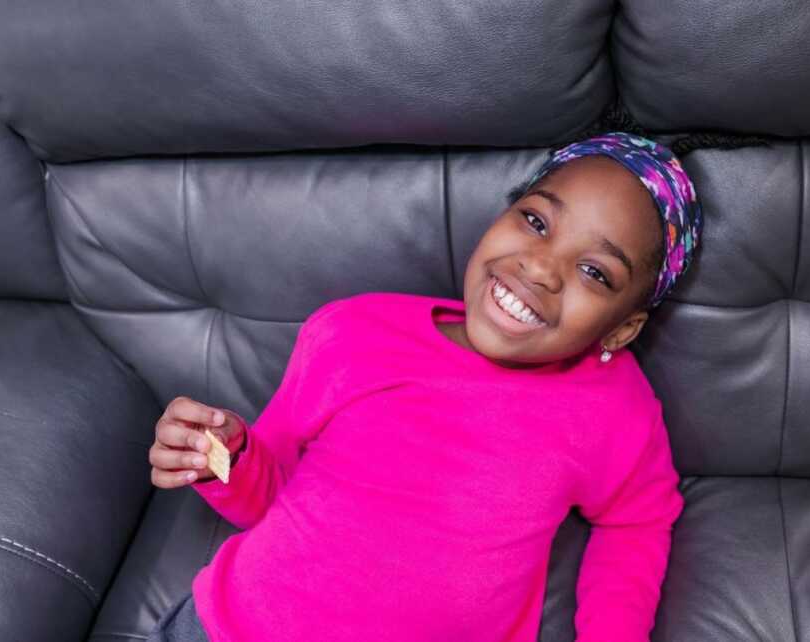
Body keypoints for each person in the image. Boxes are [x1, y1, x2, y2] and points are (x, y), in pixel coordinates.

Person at [146, 131, 703, 642]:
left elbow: (638, 521)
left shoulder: (612, 405)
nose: (541, 269)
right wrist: (220, 454)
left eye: (595, 272)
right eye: (536, 222)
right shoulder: (354, 332)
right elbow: (269, 491)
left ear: (622, 327)